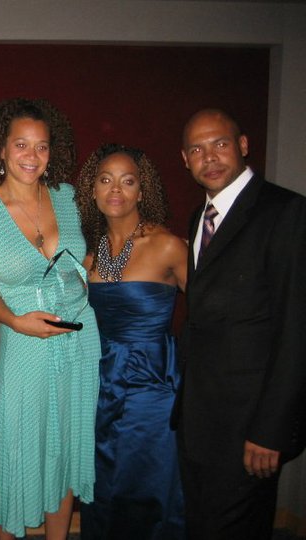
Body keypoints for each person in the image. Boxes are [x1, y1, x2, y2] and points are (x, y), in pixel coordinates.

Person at [0, 98, 101, 539]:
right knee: (20, 453)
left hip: (81, 340)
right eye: (21, 145)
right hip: (25, 347)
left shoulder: (69, 197)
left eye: (42, 147)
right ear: (0, 150)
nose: (32, 156)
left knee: (67, 444)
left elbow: (94, 256)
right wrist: (16, 321)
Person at [174, 108, 306, 539]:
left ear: (244, 145)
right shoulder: (200, 218)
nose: (209, 157)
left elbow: (296, 330)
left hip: (249, 426)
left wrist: (271, 430)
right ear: (185, 159)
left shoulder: (286, 213)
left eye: (220, 144)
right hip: (200, 419)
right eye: (197, 149)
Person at [74, 143, 187, 539]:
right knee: (104, 484)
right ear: (92, 190)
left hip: (153, 386)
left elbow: (214, 318)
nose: (115, 189)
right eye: (105, 180)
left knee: (150, 484)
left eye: (127, 180)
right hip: (101, 383)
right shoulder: (89, 257)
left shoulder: (168, 246)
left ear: (142, 190)